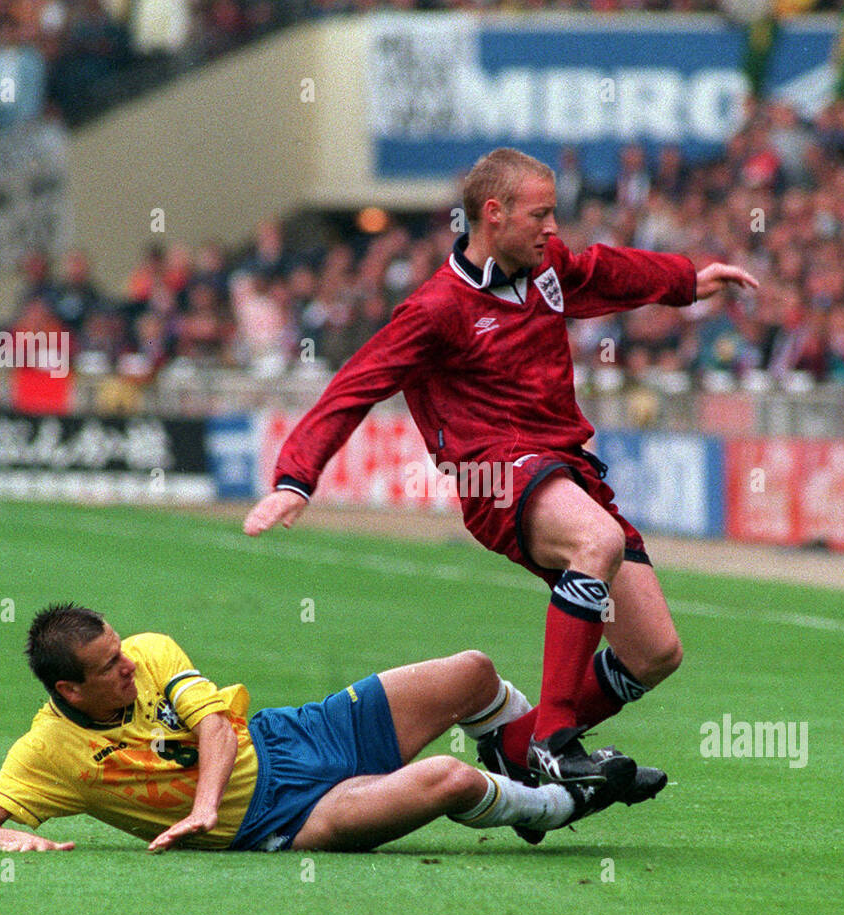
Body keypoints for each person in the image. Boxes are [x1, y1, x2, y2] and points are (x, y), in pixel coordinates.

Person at [245, 147, 758, 791]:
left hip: (564, 467)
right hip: (496, 474)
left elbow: (604, 272)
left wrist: (685, 281)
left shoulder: (547, 269)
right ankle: (553, 742)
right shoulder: (437, 310)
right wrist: (296, 477)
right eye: (540, 214)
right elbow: (356, 384)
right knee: (594, 541)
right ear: (493, 214)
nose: (552, 228)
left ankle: (516, 745)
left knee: (654, 652)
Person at [0, 604, 663, 854]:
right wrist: (22, 838)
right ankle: (564, 801)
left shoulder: (152, 651)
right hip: (285, 820)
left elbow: (219, 731)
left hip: (295, 735)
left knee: (471, 672)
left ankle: (533, 770)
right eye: (108, 666)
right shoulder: (49, 750)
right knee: (449, 778)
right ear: (68, 687)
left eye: (121, 648)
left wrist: (201, 804)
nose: (128, 665)